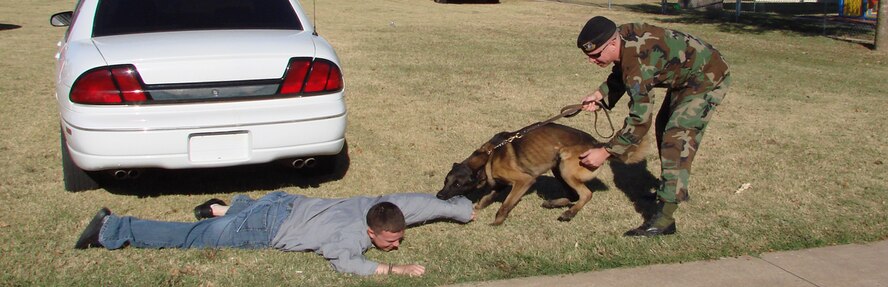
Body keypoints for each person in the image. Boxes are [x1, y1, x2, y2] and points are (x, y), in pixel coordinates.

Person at [574, 16, 731, 237]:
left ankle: (665, 218)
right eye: (588, 56)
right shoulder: (623, 40)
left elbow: (639, 120)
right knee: (665, 126)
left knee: (676, 138)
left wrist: (606, 151)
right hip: (686, 75)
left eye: (595, 55)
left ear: (611, 43)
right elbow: (622, 70)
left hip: (707, 76)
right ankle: (674, 188)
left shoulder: (639, 61)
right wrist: (601, 95)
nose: (592, 60)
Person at [74, 191, 475, 276]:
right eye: (389, 242)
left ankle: (222, 208)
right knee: (191, 237)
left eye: (399, 239)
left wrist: (460, 210)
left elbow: (424, 204)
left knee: (230, 215)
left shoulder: (386, 207)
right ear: (371, 232)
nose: (396, 243)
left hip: (281, 202)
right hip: (266, 226)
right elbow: (347, 264)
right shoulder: (350, 238)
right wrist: (395, 270)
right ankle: (112, 229)